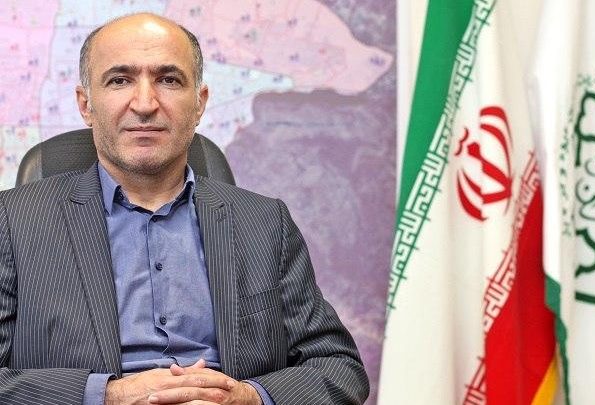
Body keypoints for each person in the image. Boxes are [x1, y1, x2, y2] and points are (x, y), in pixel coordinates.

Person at [0, 13, 369, 405]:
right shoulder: (13, 221)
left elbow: (338, 367)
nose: (145, 104)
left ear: (199, 104)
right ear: (85, 105)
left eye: (169, 80)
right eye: (120, 80)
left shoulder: (264, 223)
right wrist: (109, 395)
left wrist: (247, 397)